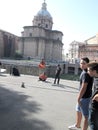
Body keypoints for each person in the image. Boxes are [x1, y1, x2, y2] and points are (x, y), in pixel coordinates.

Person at [68, 57, 93, 130]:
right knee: (78, 110)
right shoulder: (85, 72)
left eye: (84, 63)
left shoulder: (85, 73)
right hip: (83, 97)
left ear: (87, 64)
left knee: (86, 116)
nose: (82, 65)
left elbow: (84, 87)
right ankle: (77, 125)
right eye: (81, 63)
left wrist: (79, 98)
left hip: (84, 98)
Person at [87, 62, 98, 130]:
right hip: (94, 107)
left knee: (92, 124)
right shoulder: (95, 77)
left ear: (94, 71)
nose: (87, 72)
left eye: (88, 70)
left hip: (95, 107)